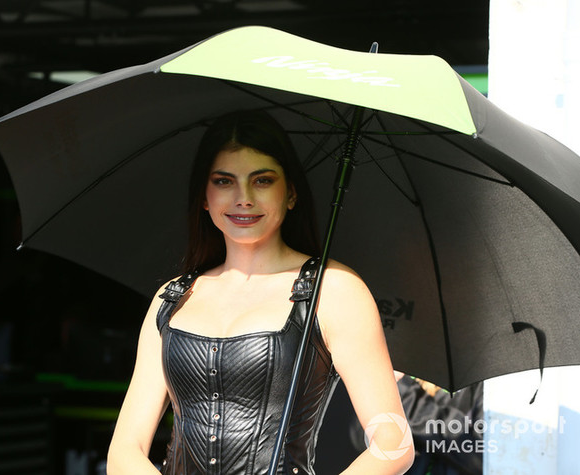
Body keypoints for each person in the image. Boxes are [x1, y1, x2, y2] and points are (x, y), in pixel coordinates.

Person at [106, 110, 413, 474]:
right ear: (204, 197)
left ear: (291, 193)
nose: (244, 198)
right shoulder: (171, 298)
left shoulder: (334, 289)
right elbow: (125, 449)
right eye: (224, 181)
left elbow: (394, 444)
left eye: (262, 180)